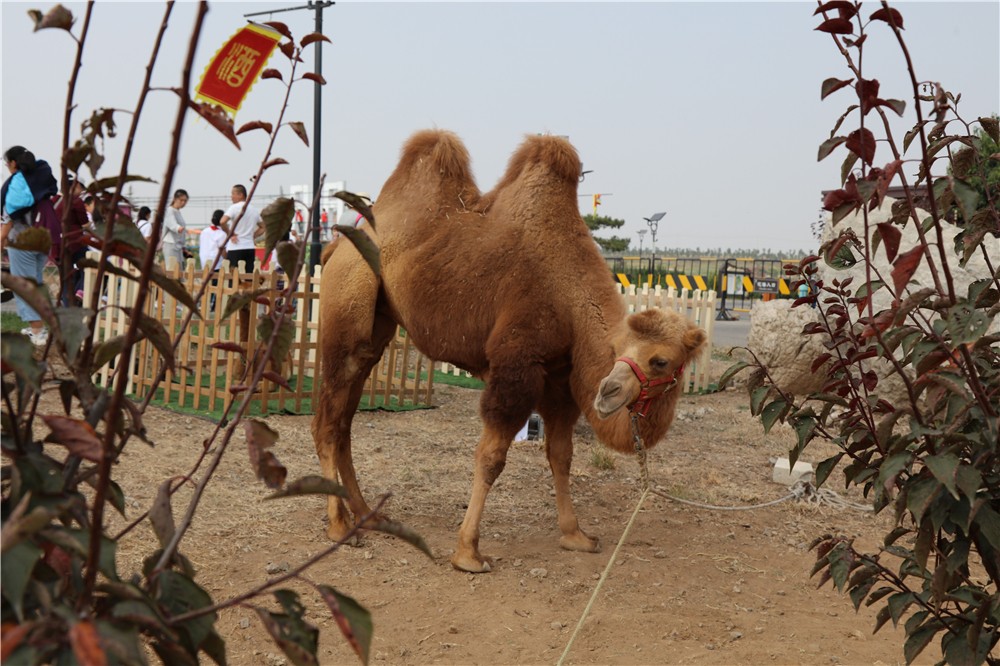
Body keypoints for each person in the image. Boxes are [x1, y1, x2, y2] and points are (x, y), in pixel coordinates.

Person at [0, 145, 58, 346]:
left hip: (23, 241)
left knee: (24, 286)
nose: (7, 166)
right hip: (44, 238)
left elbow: (6, 227)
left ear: (14, 163)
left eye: (7, 163)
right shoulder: (40, 177)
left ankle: (37, 331)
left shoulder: (15, 186)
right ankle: (39, 327)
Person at [54, 176, 91, 306]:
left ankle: (67, 307)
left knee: (65, 277)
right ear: (74, 186)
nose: (81, 191)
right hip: (75, 243)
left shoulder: (55, 201)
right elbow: (85, 224)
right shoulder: (76, 201)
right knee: (89, 266)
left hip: (57, 246)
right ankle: (80, 291)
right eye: (81, 188)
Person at [218, 184, 262, 273]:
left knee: (234, 279)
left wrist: (230, 234)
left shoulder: (234, 207)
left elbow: (222, 222)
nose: (231, 197)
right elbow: (263, 227)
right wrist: (253, 236)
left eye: (233, 194)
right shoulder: (254, 209)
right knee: (248, 277)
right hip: (249, 247)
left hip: (235, 247)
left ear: (240, 195)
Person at [199, 209, 227, 312]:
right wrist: (228, 260)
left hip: (204, 262)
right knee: (215, 286)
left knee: (205, 284)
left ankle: (204, 304)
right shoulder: (222, 234)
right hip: (216, 263)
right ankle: (212, 305)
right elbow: (223, 250)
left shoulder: (204, 231)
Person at [161, 188, 188, 268]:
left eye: (185, 201)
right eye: (181, 200)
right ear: (175, 199)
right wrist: (178, 228)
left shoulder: (177, 211)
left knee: (179, 270)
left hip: (178, 245)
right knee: (172, 270)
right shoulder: (170, 210)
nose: (183, 203)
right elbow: (172, 224)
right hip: (170, 244)